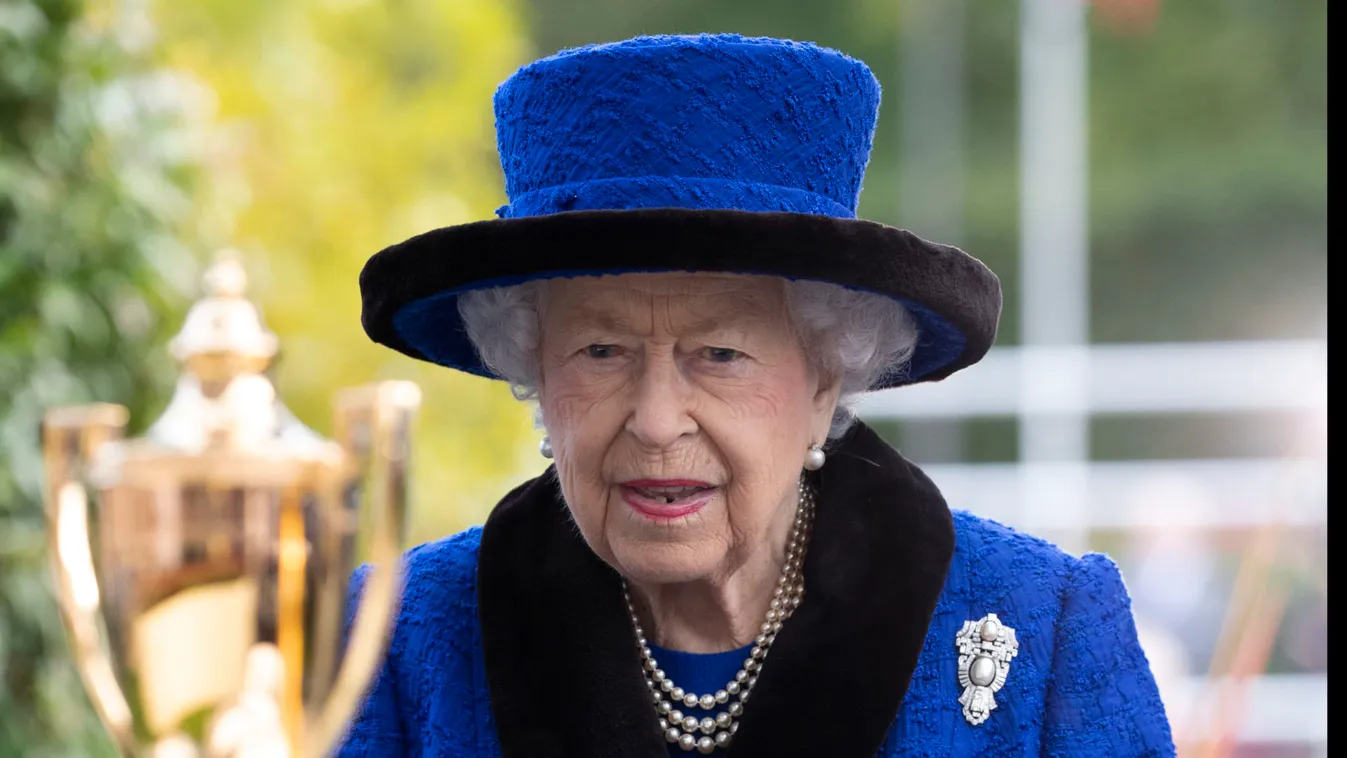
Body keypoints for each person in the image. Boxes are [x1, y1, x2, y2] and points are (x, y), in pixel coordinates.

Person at [340, 34, 1175, 757]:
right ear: (535, 373)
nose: (658, 419)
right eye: (601, 351)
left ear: (824, 379)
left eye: (719, 354)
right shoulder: (393, 644)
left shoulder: (1041, 627)